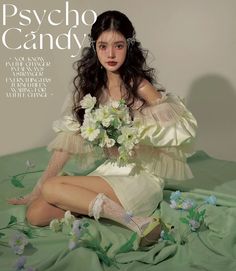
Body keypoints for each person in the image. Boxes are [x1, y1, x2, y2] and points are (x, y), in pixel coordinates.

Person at [8, 10, 197, 246]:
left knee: (52, 188)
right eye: (103, 46)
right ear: (94, 48)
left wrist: (136, 132)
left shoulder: (139, 86)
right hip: (110, 172)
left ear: (129, 47)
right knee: (35, 214)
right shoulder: (91, 89)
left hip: (139, 177)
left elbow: (179, 128)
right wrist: (37, 190)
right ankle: (92, 203)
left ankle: (137, 222)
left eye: (118, 46)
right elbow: (67, 142)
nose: (110, 54)